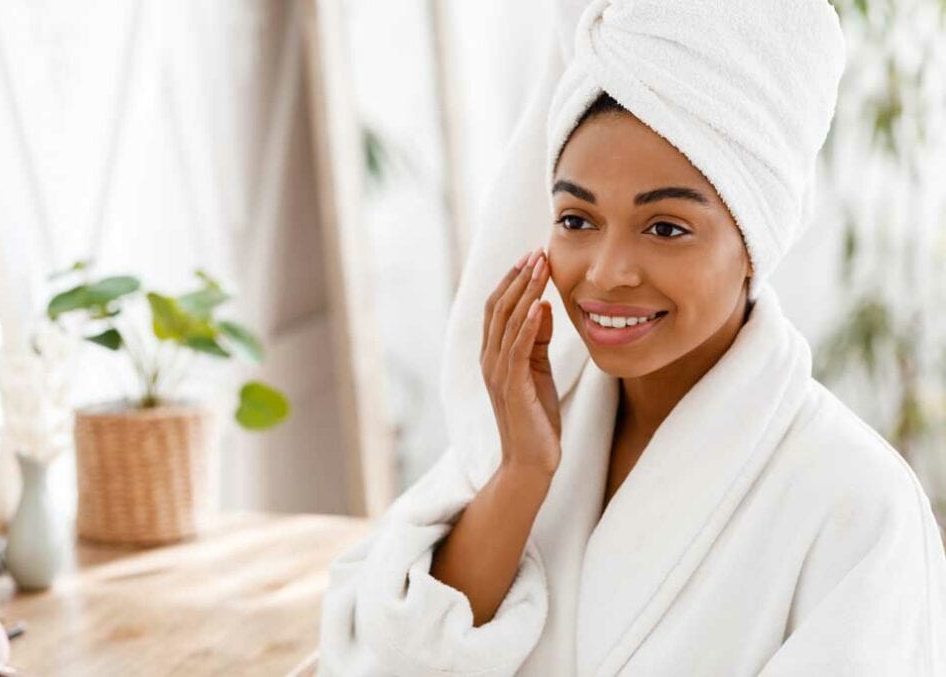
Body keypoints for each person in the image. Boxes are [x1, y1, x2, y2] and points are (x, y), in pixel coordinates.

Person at [317, 1, 946, 675]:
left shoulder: (857, 501)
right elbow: (390, 658)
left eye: (665, 228)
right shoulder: (530, 430)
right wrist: (521, 474)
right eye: (576, 219)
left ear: (754, 246)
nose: (606, 273)